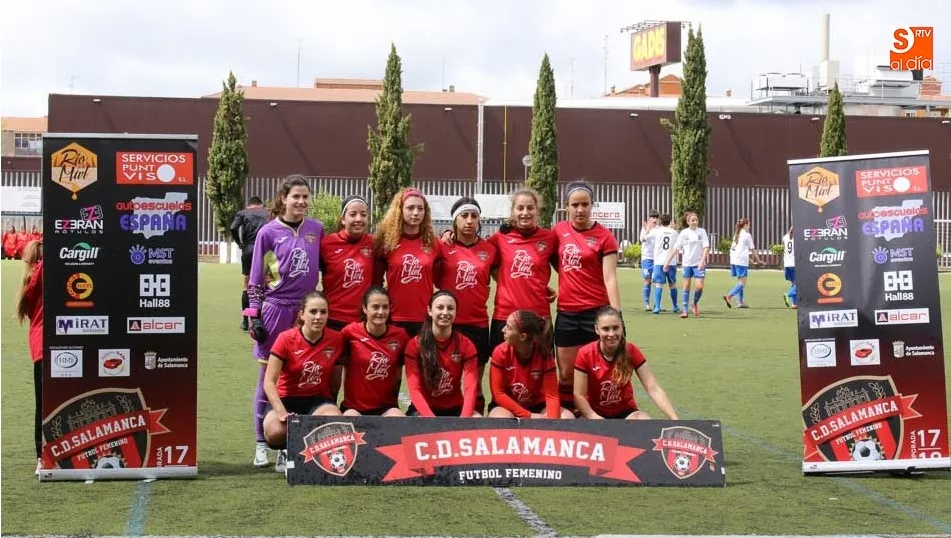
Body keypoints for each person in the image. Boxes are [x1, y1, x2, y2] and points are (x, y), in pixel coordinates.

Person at [244, 175, 325, 468]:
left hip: (306, 311)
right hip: (276, 309)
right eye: (295, 197)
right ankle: (261, 443)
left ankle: (285, 445)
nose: (301, 202)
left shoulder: (316, 229)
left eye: (305, 197)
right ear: (284, 198)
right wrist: (254, 316)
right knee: (268, 376)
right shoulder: (268, 232)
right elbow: (255, 279)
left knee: (297, 376)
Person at [552, 182, 620, 410]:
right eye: (575, 205)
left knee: (596, 371)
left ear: (592, 205)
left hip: (595, 313)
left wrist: (616, 315)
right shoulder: (558, 231)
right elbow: (544, 258)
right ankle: (568, 417)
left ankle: (594, 417)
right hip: (567, 314)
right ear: (566, 206)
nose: (580, 209)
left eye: (585, 204)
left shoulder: (605, 237)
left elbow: (610, 278)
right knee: (566, 373)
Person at [261, 291, 344, 473]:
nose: (318, 317)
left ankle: (313, 454)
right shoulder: (286, 339)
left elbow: (337, 378)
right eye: (313, 311)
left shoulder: (336, 339)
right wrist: (281, 413)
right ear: (302, 314)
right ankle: (286, 449)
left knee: (335, 422)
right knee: (274, 432)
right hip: (286, 400)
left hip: (317, 400)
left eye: (323, 312)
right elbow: (269, 382)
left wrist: (332, 403)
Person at [435, 197, 498, 414]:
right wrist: (444, 235)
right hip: (447, 324)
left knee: (475, 383)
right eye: (464, 216)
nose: (469, 221)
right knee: (444, 380)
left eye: (474, 216)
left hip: (477, 323)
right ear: (454, 220)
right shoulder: (442, 246)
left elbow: (505, 277)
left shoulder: (489, 250)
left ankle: (475, 419)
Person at [573, 307, 678, 420]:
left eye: (615, 328)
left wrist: (675, 419)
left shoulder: (631, 351)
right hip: (595, 414)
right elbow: (579, 396)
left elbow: (653, 389)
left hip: (626, 413)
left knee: (642, 419)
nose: (611, 334)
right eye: (605, 329)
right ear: (597, 329)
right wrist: (594, 417)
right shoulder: (585, 353)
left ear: (622, 327)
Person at [485, 188, 557, 352]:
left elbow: (565, 266)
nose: (525, 213)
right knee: (502, 365)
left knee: (541, 365)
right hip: (505, 315)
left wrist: (538, 284)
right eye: (520, 208)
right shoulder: (500, 238)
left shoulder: (549, 238)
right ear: (513, 211)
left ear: (537, 210)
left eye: (530, 208)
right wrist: (449, 233)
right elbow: (476, 253)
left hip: (538, 315)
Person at [375, 188, 441, 336]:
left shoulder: (434, 244)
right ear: (400, 210)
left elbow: (441, 280)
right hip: (393, 317)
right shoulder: (387, 243)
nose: (416, 213)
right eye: (410, 208)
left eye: (420, 208)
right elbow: (375, 283)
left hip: (424, 318)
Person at [404, 291, 481, 417]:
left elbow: (470, 388)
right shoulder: (415, 345)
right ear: (430, 311)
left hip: (455, 408)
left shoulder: (466, 345)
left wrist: (464, 420)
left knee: (478, 420)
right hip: (423, 410)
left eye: (450, 308)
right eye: (440, 307)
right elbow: (414, 389)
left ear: (456, 312)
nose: (445, 312)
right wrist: (432, 421)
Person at [487, 310, 574, 419]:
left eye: (509, 327)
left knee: (567, 417)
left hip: (538, 405)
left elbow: (551, 395)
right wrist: (528, 415)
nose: (503, 330)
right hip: (508, 406)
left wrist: (552, 423)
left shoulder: (544, 353)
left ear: (523, 337)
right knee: (499, 419)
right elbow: (498, 394)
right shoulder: (500, 352)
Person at [339, 287, 409, 416]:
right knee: (350, 417)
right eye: (375, 307)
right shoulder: (349, 333)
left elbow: (400, 371)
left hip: (386, 408)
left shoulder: (400, 336)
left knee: (399, 419)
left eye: (385, 307)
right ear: (365, 308)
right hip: (354, 408)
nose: (381, 312)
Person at [321, 195, 379, 331]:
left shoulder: (374, 244)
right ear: (342, 219)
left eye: (363, 215)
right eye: (353, 214)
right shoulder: (326, 244)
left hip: (362, 320)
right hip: (332, 319)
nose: (358, 219)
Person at [15, 240, 43, 474]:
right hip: (46, 345)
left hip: (40, 345)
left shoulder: (30, 280)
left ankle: (41, 456)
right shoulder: (39, 275)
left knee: (42, 403)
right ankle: (42, 456)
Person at [231, 196, 272, 331]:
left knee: (247, 285)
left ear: (249, 205)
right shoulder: (268, 213)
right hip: (266, 250)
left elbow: (233, 228)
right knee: (267, 283)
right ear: (260, 205)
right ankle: (262, 318)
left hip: (249, 249)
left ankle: (245, 321)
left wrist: (240, 243)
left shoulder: (242, 213)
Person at [663, 212, 710, 319]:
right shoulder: (684, 233)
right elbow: (676, 248)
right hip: (687, 264)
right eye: (692, 220)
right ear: (688, 222)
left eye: (696, 220)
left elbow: (706, 247)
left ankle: (694, 303)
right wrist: (667, 262)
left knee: (699, 287)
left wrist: (702, 261)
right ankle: (685, 310)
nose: (695, 222)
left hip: (698, 264)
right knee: (686, 286)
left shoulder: (702, 231)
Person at [724, 217, 765, 309]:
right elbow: (752, 250)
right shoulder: (747, 235)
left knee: (740, 282)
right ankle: (729, 296)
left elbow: (741, 251)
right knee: (742, 283)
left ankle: (740, 302)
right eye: (749, 225)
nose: (749, 227)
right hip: (741, 261)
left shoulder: (736, 234)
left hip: (734, 261)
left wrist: (752, 262)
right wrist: (758, 261)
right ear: (745, 225)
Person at [649, 214, 681, 314]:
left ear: (660, 222)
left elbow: (645, 238)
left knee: (658, 284)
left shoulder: (656, 231)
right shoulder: (674, 232)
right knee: (672, 284)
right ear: (670, 222)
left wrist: (647, 229)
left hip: (659, 261)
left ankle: (657, 307)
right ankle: (675, 306)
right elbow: (677, 246)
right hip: (671, 261)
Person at [639, 210, 660, 310]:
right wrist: (647, 230)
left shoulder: (659, 229)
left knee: (657, 281)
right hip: (647, 258)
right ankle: (647, 304)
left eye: (656, 218)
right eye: (653, 218)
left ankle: (657, 304)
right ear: (649, 219)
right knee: (647, 280)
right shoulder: (644, 228)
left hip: (657, 258)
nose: (654, 220)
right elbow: (642, 239)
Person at [782, 226, 797, 309]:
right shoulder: (797, 238)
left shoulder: (785, 237)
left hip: (786, 264)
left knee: (793, 284)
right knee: (798, 284)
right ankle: (788, 294)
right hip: (794, 264)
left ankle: (794, 304)